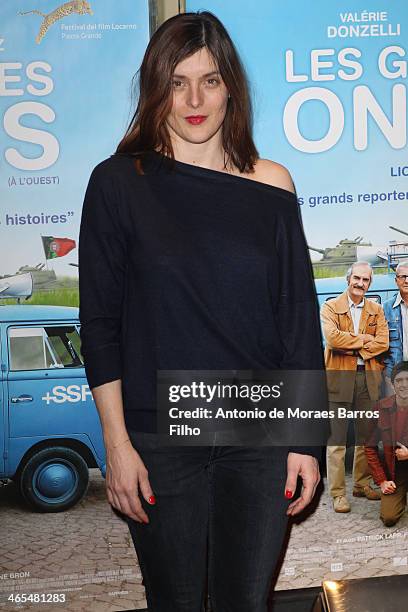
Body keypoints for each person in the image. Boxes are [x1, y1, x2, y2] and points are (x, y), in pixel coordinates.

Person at [78, 11, 326, 612]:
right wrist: (117, 444)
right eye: (178, 81)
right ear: (155, 89)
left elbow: (296, 322)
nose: (194, 99)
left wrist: (304, 442)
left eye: (210, 81)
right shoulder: (117, 184)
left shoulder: (272, 184)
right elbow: (101, 326)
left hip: (260, 430)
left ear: (231, 89)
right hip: (161, 436)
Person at [321, 261, 389, 513]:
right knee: (337, 440)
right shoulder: (330, 306)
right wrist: (364, 340)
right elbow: (332, 338)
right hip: (339, 378)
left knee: (365, 438)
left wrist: (352, 343)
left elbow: (383, 343)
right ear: (348, 279)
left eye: (365, 280)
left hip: (367, 378)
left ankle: (361, 484)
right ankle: (338, 494)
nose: (360, 283)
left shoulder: (376, 309)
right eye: (357, 278)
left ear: (370, 283)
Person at [365, 362, 408, 527]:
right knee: (388, 518)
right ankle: (399, 495)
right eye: (399, 381)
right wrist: (382, 481)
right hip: (395, 472)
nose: (404, 384)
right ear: (392, 383)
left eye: (407, 379)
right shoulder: (381, 408)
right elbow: (369, 447)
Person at [383, 262, 408, 395]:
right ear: (396, 280)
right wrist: (387, 376)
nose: (407, 280)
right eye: (403, 276)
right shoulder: (385, 308)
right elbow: (380, 345)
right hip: (395, 376)